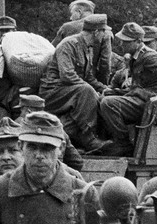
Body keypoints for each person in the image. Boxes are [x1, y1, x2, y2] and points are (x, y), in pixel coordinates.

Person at [95, 22, 157, 154]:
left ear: (138, 41)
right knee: (102, 97)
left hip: (147, 102)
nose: (121, 44)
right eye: (122, 41)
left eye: (126, 42)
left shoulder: (148, 56)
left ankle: (123, 143)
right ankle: (108, 140)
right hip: (138, 96)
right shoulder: (135, 56)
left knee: (109, 104)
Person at [40, 14, 115, 150]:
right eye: (104, 31)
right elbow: (67, 75)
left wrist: (103, 88)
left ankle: (92, 137)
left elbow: (88, 77)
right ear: (96, 32)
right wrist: (89, 88)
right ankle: (89, 139)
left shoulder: (88, 48)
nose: (105, 35)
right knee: (86, 91)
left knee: (99, 96)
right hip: (53, 91)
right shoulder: (68, 44)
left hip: (69, 91)